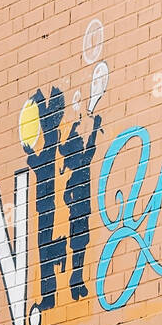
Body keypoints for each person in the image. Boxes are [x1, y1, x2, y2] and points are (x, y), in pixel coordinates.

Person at [23, 87, 67, 310]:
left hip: (47, 208)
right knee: (43, 247)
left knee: (43, 248)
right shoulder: (50, 145)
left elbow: (39, 165)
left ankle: (60, 250)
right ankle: (59, 249)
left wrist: (29, 153)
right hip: (46, 207)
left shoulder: (50, 148)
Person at [60, 112, 102, 301]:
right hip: (77, 217)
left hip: (82, 215)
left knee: (81, 247)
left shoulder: (79, 170)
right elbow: (91, 148)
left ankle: (77, 278)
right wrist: (94, 127)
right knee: (78, 246)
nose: (83, 145)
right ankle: (75, 278)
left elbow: (91, 148)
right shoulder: (80, 168)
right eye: (80, 144)